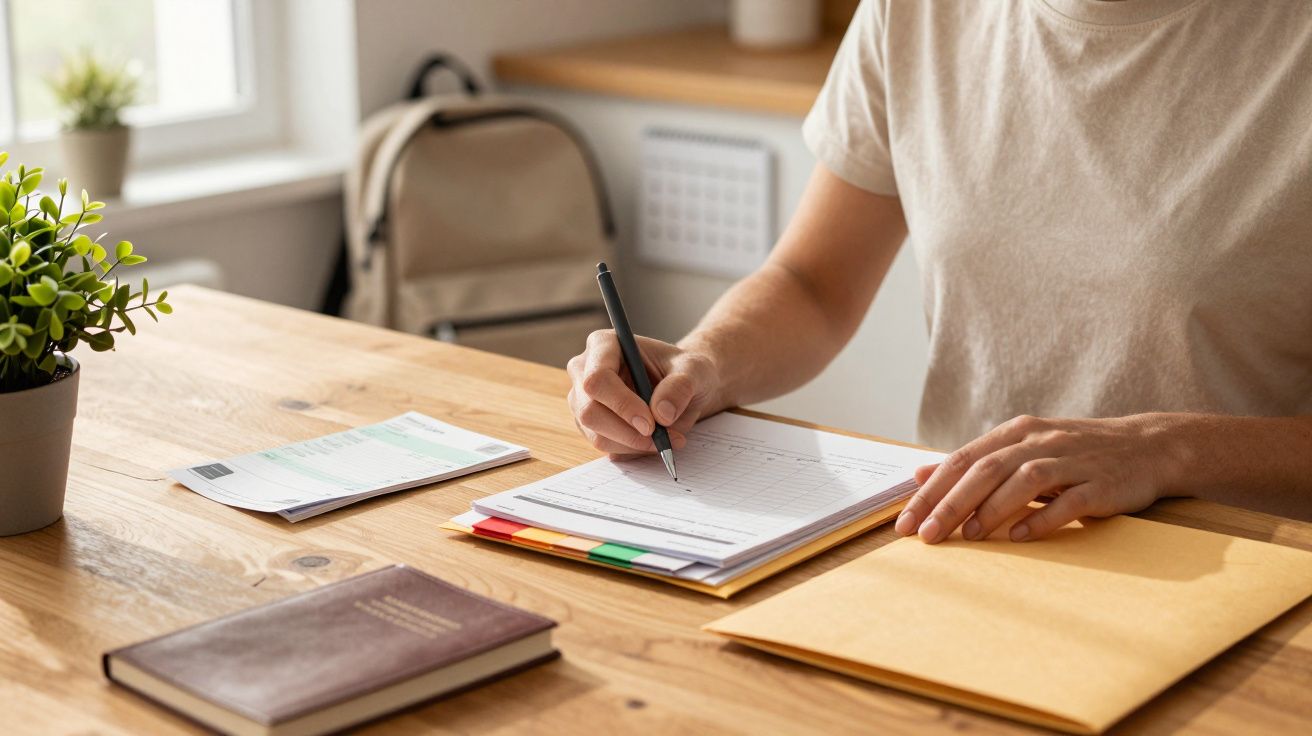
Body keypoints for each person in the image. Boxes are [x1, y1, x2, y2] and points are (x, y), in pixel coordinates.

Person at [566, 0, 1312, 542]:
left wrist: (1163, 448)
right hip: (960, 538)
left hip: (1248, 571)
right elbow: (813, 284)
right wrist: (702, 364)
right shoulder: (916, 13)